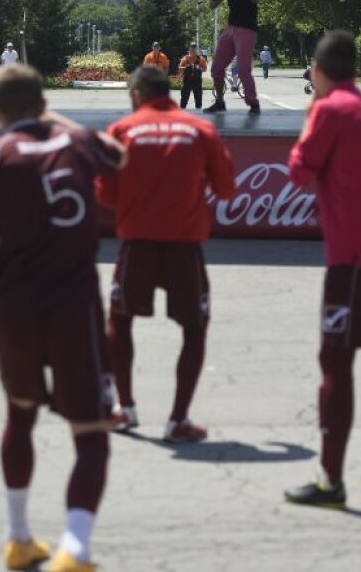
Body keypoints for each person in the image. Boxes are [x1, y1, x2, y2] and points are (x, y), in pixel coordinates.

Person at [0, 63, 127, 572]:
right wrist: (54, 118)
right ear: (42, 103)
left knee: (20, 413)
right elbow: (120, 155)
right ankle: (75, 547)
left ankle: (18, 537)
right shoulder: (79, 143)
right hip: (74, 305)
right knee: (90, 429)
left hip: (17, 304)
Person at [283, 30, 361, 508]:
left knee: (335, 360)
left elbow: (299, 170)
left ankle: (329, 480)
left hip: (355, 257)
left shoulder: (329, 109)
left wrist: (309, 115)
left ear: (317, 70)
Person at [98, 65, 235, 443]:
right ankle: (178, 420)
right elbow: (226, 190)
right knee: (195, 328)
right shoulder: (201, 129)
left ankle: (124, 408)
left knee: (120, 322)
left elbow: (105, 195)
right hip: (184, 246)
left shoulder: (122, 131)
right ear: (168, 93)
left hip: (137, 243)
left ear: (137, 95)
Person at [205, 0, 261, 115]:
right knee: (216, 68)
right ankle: (219, 101)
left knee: (243, 70)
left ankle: (253, 103)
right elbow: (212, 5)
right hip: (231, 29)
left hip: (246, 30)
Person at [178, 42, 207, 109]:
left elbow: (205, 69)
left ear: (196, 49)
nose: (193, 49)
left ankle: (198, 113)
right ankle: (182, 112)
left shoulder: (201, 59)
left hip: (197, 81)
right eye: (192, 47)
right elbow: (179, 69)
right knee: (184, 98)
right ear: (190, 48)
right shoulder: (185, 58)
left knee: (198, 99)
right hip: (187, 81)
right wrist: (186, 67)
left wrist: (199, 68)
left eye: (194, 47)